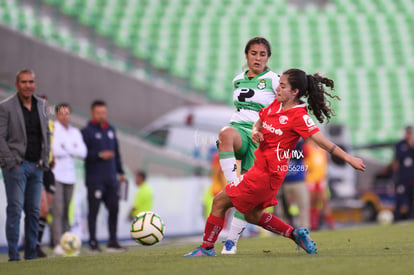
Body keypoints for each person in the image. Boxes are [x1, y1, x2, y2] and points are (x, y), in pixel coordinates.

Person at [184, 68, 365, 257]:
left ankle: (206, 248)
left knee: (220, 201)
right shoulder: (275, 105)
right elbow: (260, 120)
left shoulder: (299, 116)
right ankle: (296, 235)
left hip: (267, 175)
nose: (277, 87)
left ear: (294, 92)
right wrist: (255, 130)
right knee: (252, 215)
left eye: (283, 86)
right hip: (260, 170)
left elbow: (322, 142)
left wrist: (349, 158)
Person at [218, 37, 279, 254]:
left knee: (249, 204)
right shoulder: (237, 80)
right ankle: (233, 183)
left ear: (267, 57)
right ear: (247, 55)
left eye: (262, 54)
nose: (257, 58)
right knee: (225, 134)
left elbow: (286, 104)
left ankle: (231, 243)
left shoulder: (273, 79)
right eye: (254, 53)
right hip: (239, 130)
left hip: (259, 139)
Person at [0, 69, 50, 261]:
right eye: (23, 82)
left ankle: (31, 256)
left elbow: (46, 133)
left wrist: (44, 160)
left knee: (34, 212)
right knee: (15, 210)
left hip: (36, 167)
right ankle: (13, 256)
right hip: (16, 167)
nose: (28, 85)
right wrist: (11, 162)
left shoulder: (42, 105)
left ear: (35, 84)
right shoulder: (5, 107)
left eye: (31, 82)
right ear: (16, 84)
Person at [81, 100, 126, 252]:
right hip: (95, 179)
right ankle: (93, 242)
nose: (102, 116)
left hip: (111, 179)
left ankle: (112, 240)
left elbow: (117, 153)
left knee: (114, 208)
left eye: (104, 113)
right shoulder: (86, 132)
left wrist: (121, 172)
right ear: (92, 113)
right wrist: (100, 155)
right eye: (99, 113)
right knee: (94, 211)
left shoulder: (111, 129)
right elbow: (83, 154)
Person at [51, 103, 87, 255]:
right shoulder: (53, 129)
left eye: (67, 113)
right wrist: (71, 149)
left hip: (70, 176)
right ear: (57, 115)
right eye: (61, 113)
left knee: (67, 212)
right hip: (56, 175)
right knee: (58, 211)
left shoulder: (75, 132)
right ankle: (57, 244)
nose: (65, 116)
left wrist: (67, 147)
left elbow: (83, 152)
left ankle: (67, 244)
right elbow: (55, 150)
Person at [36, 94, 55, 258]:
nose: (44, 107)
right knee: (40, 208)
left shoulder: (51, 125)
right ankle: (33, 245)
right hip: (37, 168)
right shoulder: (32, 124)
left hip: (49, 170)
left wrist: (52, 158)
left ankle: (36, 245)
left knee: (46, 210)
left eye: (46, 105)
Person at [303, 138, 335, 230]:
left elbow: (324, 164)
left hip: (321, 179)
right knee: (312, 202)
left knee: (323, 201)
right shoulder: (306, 148)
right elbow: (302, 160)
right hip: (310, 179)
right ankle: (313, 225)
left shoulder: (322, 150)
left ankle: (329, 223)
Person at [278, 139, 310, 228]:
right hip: (283, 182)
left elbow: (304, 154)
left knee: (303, 206)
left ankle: (304, 228)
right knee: (281, 209)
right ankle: (282, 228)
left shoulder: (299, 143)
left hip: (298, 180)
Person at [393, 126, 414, 221]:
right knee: (400, 198)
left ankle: (410, 218)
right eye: (408, 133)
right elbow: (398, 158)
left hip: (412, 177)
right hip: (402, 177)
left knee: (411, 199)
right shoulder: (399, 145)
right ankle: (397, 218)